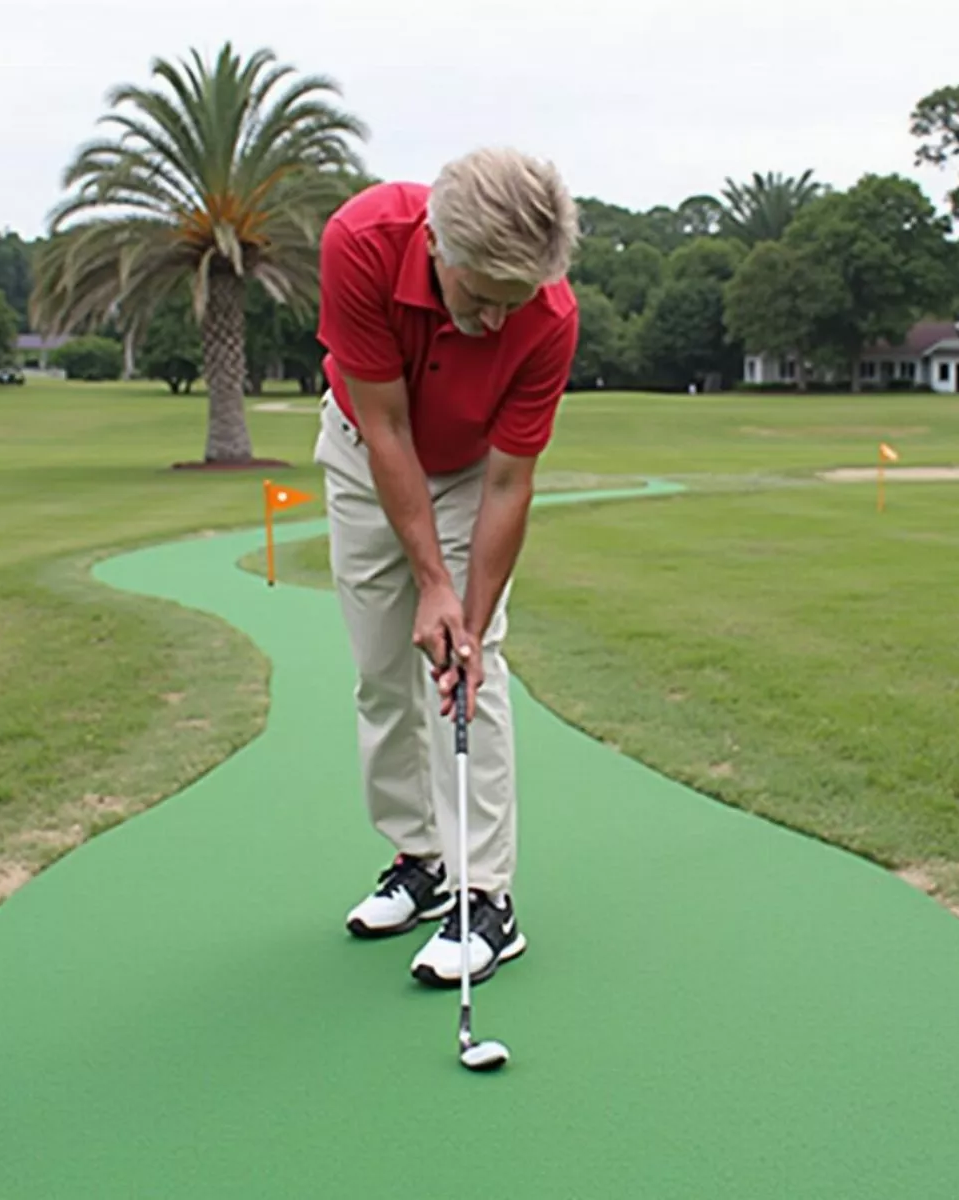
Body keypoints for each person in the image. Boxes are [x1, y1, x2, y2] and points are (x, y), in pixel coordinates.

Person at [311, 147, 580, 988]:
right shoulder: (360, 239)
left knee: (472, 667)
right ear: (437, 245)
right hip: (366, 448)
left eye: (516, 303)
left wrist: (467, 608)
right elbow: (387, 430)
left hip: (471, 473)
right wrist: (430, 582)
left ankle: (484, 898)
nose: (498, 322)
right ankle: (419, 859)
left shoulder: (550, 314)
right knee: (381, 669)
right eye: (481, 299)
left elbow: (509, 478)